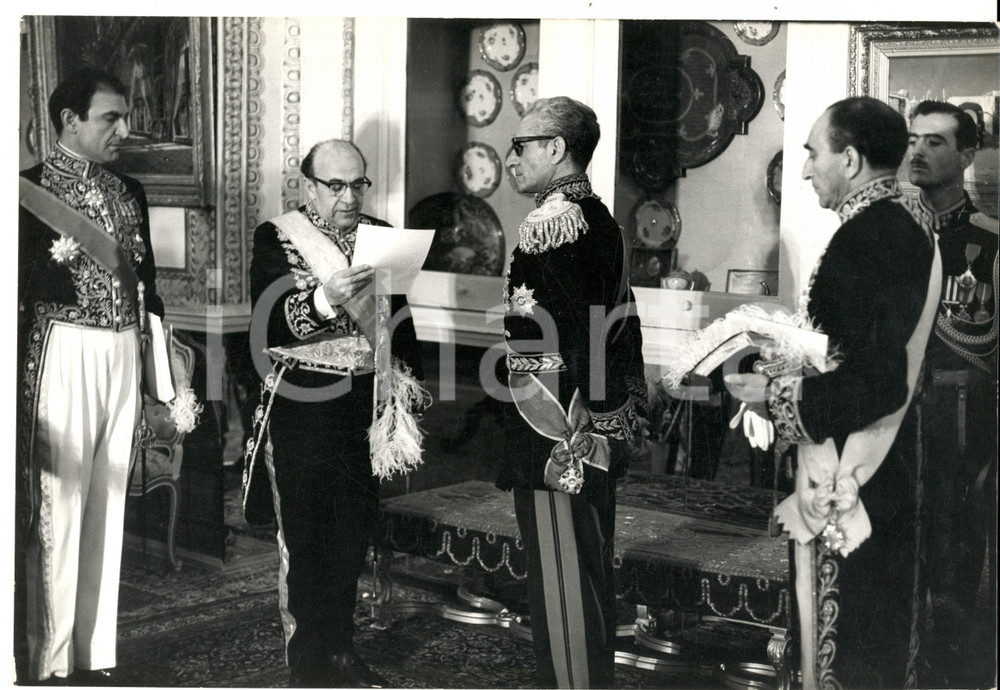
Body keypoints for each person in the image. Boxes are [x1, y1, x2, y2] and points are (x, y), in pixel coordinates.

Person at [727, 97, 940, 689]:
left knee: (851, 649)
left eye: (812, 152)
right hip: (891, 463)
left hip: (859, 471)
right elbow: (852, 351)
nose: (803, 170)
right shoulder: (906, 220)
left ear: (849, 159)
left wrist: (774, 396)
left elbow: (877, 381)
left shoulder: (869, 236)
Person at [245, 139, 425, 688]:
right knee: (306, 539)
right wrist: (324, 301)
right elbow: (269, 322)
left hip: (362, 407)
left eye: (358, 184)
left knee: (351, 534)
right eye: (336, 185)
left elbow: (399, 320)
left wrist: (407, 388)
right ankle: (308, 665)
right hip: (303, 407)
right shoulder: (278, 237)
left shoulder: (380, 234)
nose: (349, 196)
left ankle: (342, 650)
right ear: (309, 186)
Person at [16, 67, 164, 684]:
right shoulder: (23, 192)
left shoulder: (129, 191)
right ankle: (48, 663)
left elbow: (148, 286)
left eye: (126, 117)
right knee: (61, 505)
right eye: (111, 118)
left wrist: (163, 380)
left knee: (108, 502)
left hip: (123, 350)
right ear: (68, 121)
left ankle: (93, 656)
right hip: (61, 350)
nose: (124, 130)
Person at [496, 96, 647, 689]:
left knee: (562, 579)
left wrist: (575, 426)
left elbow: (570, 339)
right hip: (592, 419)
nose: (513, 158)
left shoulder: (553, 221)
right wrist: (609, 416)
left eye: (522, 144)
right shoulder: (600, 218)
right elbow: (616, 328)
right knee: (586, 572)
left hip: (555, 423)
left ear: (556, 149)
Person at [906, 100, 997, 688]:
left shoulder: (989, 244)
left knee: (954, 578)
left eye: (935, 142)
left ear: (966, 156)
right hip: (892, 430)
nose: (918, 151)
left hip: (961, 433)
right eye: (913, 139)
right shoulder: (890, 233)